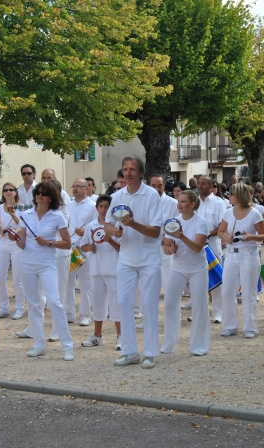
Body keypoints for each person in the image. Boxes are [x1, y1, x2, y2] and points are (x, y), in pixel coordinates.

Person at [105, 156, 162, 369]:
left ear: (140, 173)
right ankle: (129, 352)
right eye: (125, 169)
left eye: (132, 169)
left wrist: (133, 224)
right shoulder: (117, 196)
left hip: (148, 259)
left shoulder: (151, 196)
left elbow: (156, 232)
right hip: (126, 258)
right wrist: (115, 230)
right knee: (123, 303)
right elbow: (107, 226)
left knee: (148, 305)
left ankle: (149, 353)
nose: (127, 173)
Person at [16, 181, 75, 361]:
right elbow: (22, 243)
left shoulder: (57, 216)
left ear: (51, 198)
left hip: (48, 263)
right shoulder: (26, 215)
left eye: (43, 193)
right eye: (37, 192)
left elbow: (67, 243)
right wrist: (16, 238)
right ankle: (39, 344)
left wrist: (49, 242)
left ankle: (67, 346)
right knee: (33, 304)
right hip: (27, 263)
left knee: (54, 302)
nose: (39, 195)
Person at [161, 190, 210, 355]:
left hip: (198, 268)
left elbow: (197, 248)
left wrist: (181, 237)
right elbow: (167, 247)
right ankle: (169, 344)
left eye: (183, 201)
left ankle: (199, 346)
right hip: (178, 268)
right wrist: (170, 249)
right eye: (178, 201)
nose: (179, 204)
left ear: (192, 204)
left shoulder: (201, 222)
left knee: (199, 306)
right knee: (169, 304)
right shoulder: (172, 222)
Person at [218, 183, 264, 338]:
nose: (228, 196)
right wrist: (227, 238)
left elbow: (263, 236)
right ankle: (230, 325)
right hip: (232, 254)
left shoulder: (255, 214)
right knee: (227, 291)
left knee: (248, 292)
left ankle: (250, 327)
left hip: (249, 254)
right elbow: (220, 231)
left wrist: (251, 237)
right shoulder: (228, 213)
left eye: (231, 194)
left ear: (239, 195)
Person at [79, 194, 122, 349]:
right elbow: (83, 245)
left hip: (114, 269)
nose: (104, 210)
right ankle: (97, 335)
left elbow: (122, 248)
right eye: (101, 207)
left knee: (116, 303)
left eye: (106, 207)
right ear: (96, 208)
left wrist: (110, 240)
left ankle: (121, 336)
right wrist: (89, 247)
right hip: (96, 270)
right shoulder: (91, 226)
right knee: (97, 303)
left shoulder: (117, 226)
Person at [66, 178, 97, 326]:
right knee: (68, 283)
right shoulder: (68, 205)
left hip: (85, 248)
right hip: (70, 248)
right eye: (74, 186)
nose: (75, 189)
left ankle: (85, 314)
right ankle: (69, 313)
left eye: (79, 186)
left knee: (86, 283)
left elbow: (98, 227)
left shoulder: (92, 206)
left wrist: (85, 232)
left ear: (86, 188)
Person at [196, 176, 225, 322]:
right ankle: (201, 312)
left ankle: (218, 312)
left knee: (216, 279)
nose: (200, 186)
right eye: (198, 183)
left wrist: (206, 234)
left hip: (213, 246)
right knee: (198, 280)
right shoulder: (195, 203)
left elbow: (222, 226)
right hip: (197, 247)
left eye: (203, 183)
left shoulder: (218, 203)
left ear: (211, 185)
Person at [0, 183, 25, 319]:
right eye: (5, 190)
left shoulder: (22, 208)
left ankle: (19, 308)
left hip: (16, 245)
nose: (8, 192)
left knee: (17, 278)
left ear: (15, 192)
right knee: (0, 278)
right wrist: (0, 228)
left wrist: (13, 214)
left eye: (11, 190)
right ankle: (4, 307)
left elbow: (23, 226)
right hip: (3, 244)